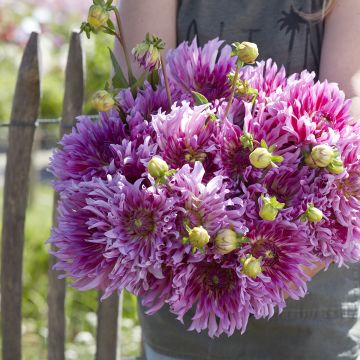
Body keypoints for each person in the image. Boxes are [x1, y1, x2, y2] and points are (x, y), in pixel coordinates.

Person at [116, 1, 360, 359]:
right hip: (188, 295)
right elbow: (142, 105)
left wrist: (290, 261)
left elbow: (346, 109)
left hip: (312, 297)